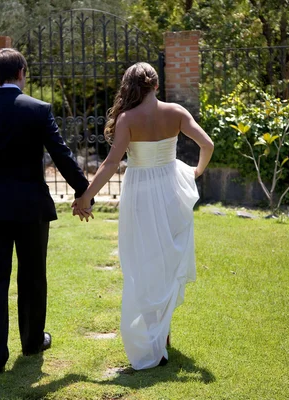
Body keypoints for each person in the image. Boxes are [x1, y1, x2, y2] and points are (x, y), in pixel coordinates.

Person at [0, 48, 92, 375]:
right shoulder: (38, 110)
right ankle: (31, 342)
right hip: (31, 209)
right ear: (20, 73)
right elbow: (62, 155)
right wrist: (84, 192)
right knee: (32, 276)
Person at [72, 62, 214, 370]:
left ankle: (155, 342)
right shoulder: (176, 112)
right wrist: (196, 171)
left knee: (143, 262)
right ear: (157, 86)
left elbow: (110, 163)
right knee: (165, 261)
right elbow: (207, 144)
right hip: (172, 190)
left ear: (129, 87)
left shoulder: (127, 119)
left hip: (141, 194)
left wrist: (86, 195)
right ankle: (161, 339)